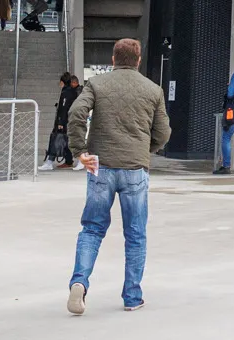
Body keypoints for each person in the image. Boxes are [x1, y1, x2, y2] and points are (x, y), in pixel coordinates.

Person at [66, 38, 172, 314]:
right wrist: (144, 149)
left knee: (92, 228)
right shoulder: (153, 89)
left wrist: (80, 150)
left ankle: (79, 282)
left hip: (101, 166)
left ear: (113, 59)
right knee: (136, 234)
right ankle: (132, 296)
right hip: (135, 169)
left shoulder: (97, 84)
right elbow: (164, 133)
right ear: (138, 60)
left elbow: (77, 111)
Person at [49, 71, 82, 168]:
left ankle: (80, 160)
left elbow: (65, 108)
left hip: (71, 120)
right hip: (71, 120)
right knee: (67, 141)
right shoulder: (72, 92)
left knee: (70, 140)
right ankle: (68, 161)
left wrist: (61, 122)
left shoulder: (69, 92)